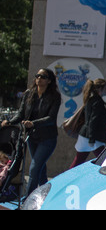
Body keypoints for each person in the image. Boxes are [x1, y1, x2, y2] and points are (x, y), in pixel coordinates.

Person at [1, 68, 61, 196]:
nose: (39, 78)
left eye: (43, 76)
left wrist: (33, 123)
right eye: (37, 75)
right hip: (32, 137)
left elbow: (51, 118)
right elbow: (21, 113)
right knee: (40, 169)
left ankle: (27, 200)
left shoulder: (55, 96)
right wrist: (10, 122)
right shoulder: (29, 93)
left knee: (34, 168)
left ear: (49, 81)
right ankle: (45, 196)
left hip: (48, 138)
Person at [69, 79, 106, 169]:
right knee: (104, 161)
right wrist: (91, 139)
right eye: (105, 88)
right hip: (93, 137)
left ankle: (66, 178)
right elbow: (93, 121)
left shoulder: (91, 100)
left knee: (79, 160)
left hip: (87, 136)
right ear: (100, 89)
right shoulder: (98, 102)